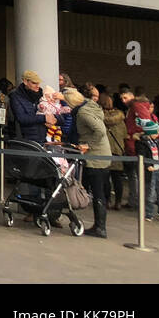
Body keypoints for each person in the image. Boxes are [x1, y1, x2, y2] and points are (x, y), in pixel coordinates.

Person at [65, 87, 110, 238]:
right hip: (103, 154)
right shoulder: (91, 108)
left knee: (97, 192)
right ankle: (100, 225)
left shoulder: (83, 113)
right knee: (100, 192)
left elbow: (100, 130)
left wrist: (87, 144)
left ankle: (100, 227)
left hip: (95, 156)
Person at [134, 119, 159, 222]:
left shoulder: (157, 142)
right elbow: (142, 156)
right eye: (155, 132)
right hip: (150, 171)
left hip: (158, 170)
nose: (157, 135)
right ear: (150, 133)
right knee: (150, 193)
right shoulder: (142, 143)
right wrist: (147, 165)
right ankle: (149, 213)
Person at [100, 93, 128, 210]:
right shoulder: (120, 117)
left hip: (106, 150)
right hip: (118, 150)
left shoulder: (100, 117)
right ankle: (118, 202)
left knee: (106, 178)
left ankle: (107, 201)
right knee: (117, 178)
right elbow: (124, 133)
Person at [10, 70, 47, 143]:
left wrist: (53, 118)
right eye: (34, 83)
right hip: (27, 138)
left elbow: (58, 116)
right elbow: (21, 118)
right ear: (25, 82)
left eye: (38, 83)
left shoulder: (42, 95)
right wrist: (44, 118)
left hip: (44, 136)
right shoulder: (16, 96)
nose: (38, 86)